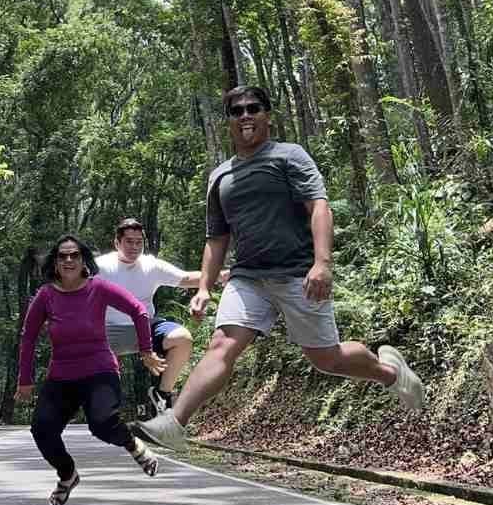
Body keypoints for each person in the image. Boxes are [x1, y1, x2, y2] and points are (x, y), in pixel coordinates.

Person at [133, 85, 425, 450]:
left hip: (298, 274)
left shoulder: (289, 156)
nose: (245, 116)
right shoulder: (220, 176)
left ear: (267, 115)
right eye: (236, 111)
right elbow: (217, 238)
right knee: (222, 344)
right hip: (248, 278)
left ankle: (390, 372)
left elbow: (319, 207)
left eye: (253, 108)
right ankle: (174, 423)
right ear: (229, 122)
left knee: (327, 359)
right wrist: (205, 287)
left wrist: (322, 263)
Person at [16, 234, 166, 505]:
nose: (69, 260)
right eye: (63, 256)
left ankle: (134, 446)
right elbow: (28, 337)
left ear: (84, 259)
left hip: (99, 370)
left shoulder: (98, 288)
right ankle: (67, 475)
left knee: (102, 424)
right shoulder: (46, 295)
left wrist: (146, 351)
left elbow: (139, 311)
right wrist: (24, 380)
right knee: (42, 429)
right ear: (55, 262)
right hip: (61, 376)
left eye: (74, 255)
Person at [94, 217, 200, 416]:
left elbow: (185, 278)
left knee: (182, 339)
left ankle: (162, 395)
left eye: (138, 242)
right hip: (109, 332)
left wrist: (224, 275)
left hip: (145, 328)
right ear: (117, 243)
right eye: (129, 242)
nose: (134, 247)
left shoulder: (151, 266)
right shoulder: (99, 267)